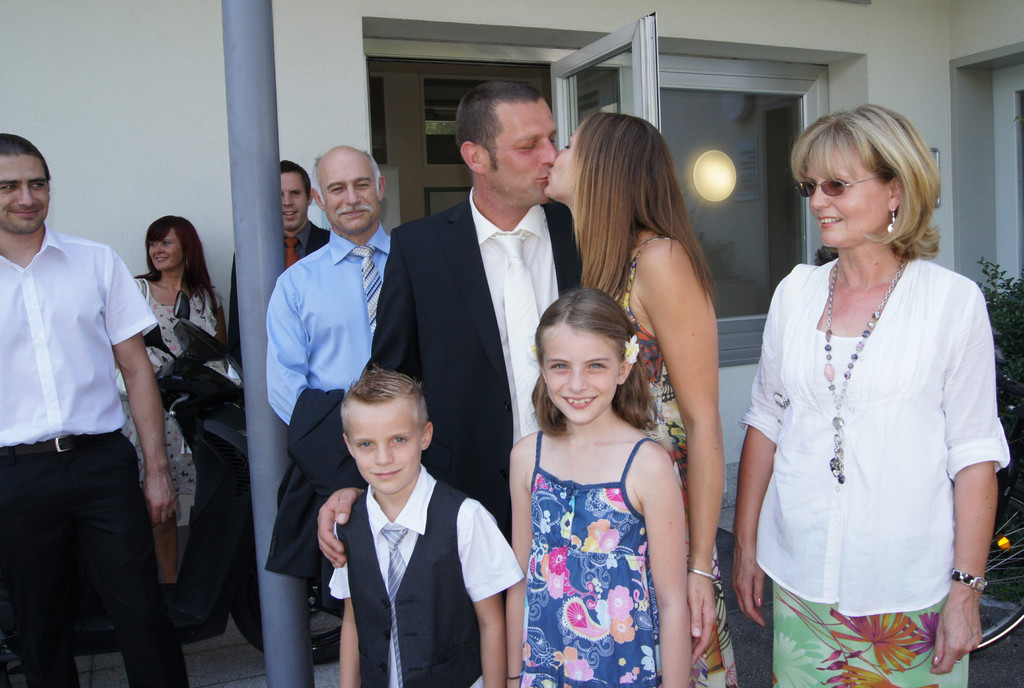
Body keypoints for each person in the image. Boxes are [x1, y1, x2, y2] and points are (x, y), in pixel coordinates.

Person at [731, 104, 1009, 686]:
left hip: (910, 587)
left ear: (896, 191)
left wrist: (967, 589)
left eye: (836, 185)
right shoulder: (795, 294)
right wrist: (746, 545)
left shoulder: (951, 303)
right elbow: (765, 421)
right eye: (810, 186)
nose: (817, 202)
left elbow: (974, 452)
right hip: (800, 576)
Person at [317, 81, 582, 563]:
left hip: (585, 487)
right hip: (466, 494)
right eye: (529, 145)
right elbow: (389, 378)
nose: (551, 156)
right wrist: (353, 482)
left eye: (552, 139)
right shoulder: (419, 248)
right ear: (476, 157)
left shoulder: (584, 231)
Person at [544, 112, 736, 686]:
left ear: (602, 168)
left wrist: (700, 566)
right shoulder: (603, 261)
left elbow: (702, 422)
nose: (554, 155)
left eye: (569, 145)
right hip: (609, 517)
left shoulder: (659, 260)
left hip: (660, 524)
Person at [0, 133, 188, 687]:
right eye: (9, 186)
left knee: (143, 611)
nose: (26, 197)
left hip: (101, 463)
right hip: (15, 475)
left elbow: (137, 370)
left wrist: (156, 471)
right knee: (40, 627)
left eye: (37, 183)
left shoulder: (94, 261)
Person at [505, 288, 690, 687]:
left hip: (623, 672)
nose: (577, 384)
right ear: (541, 367)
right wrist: (512, 676)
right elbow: (519, 581)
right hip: (543, 671)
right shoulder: (526, 459)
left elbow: (673, 602)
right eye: (560, 366)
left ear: (623, 368)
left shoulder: (648, 466)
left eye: (595, 366)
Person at [331, 366, 522, 688]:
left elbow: (491, 622)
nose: (383, 458)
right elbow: (352, 620)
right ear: (349, 445)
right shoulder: (348, 524)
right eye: (366, 444)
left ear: (425, 435)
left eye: (399, 439)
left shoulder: (465, 518)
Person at [265, 146, 389, 584]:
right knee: (355, 589)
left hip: (420, 452)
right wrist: (347, 455)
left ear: (380, 188)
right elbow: (285, 387)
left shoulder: (418, 264)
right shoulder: (295, 284)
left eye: (361, 184)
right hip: (339, 453)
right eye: (337, 189)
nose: (351, 198)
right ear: (319, 199)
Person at [121, 214, 225, 583]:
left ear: (186, 246)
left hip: (193, 414)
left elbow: (220, 357)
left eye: (166, 241)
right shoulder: (137, 290)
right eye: (153, 243)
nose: (157, 249)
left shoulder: (206, 298)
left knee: (190, 500)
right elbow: (118, 352)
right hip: (150, 413)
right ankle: (153, 585)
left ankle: (180, 583)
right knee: (151, 502)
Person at [227, 159, 330, 363]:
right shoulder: (247, 255)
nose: (287, 202)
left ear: (310, 198)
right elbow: (238, 326)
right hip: (265, 367)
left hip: (325, 365)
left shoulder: (333, 246)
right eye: (279, 194)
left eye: (295, 193)